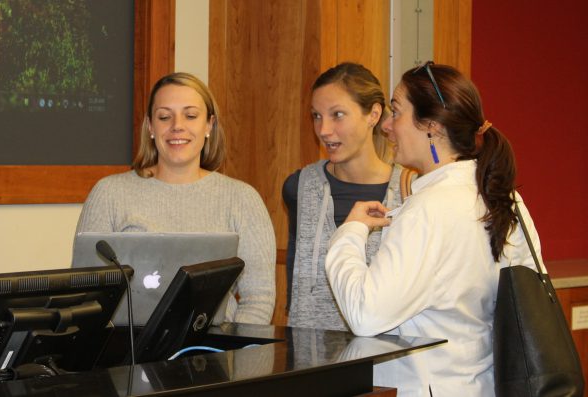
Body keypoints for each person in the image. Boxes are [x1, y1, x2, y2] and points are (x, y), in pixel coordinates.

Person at [324, 62, 541, 395]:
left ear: (430, 126)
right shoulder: (506, 198)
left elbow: (365, 314)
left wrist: (350, 232)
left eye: (396, 112)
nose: (386, 126)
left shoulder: (428, 211)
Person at [75, 72, 276, 325]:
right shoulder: (109, 194)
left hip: (214, 355)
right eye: (164, 116)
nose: (177, 126)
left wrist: (231, 355)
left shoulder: (242, 199)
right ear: (150, 126)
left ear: (209, 126)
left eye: (190, 115)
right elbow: (85, 294)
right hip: (125, 355)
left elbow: (258, 298)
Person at [285, 63, 404, 331]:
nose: (324, 129)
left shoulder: (409, 191)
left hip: (381, 361)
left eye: (337, 115)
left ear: (373, 114)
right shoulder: (300, 186)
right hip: (311, 359)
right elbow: (297, 280)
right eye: (316, 116)